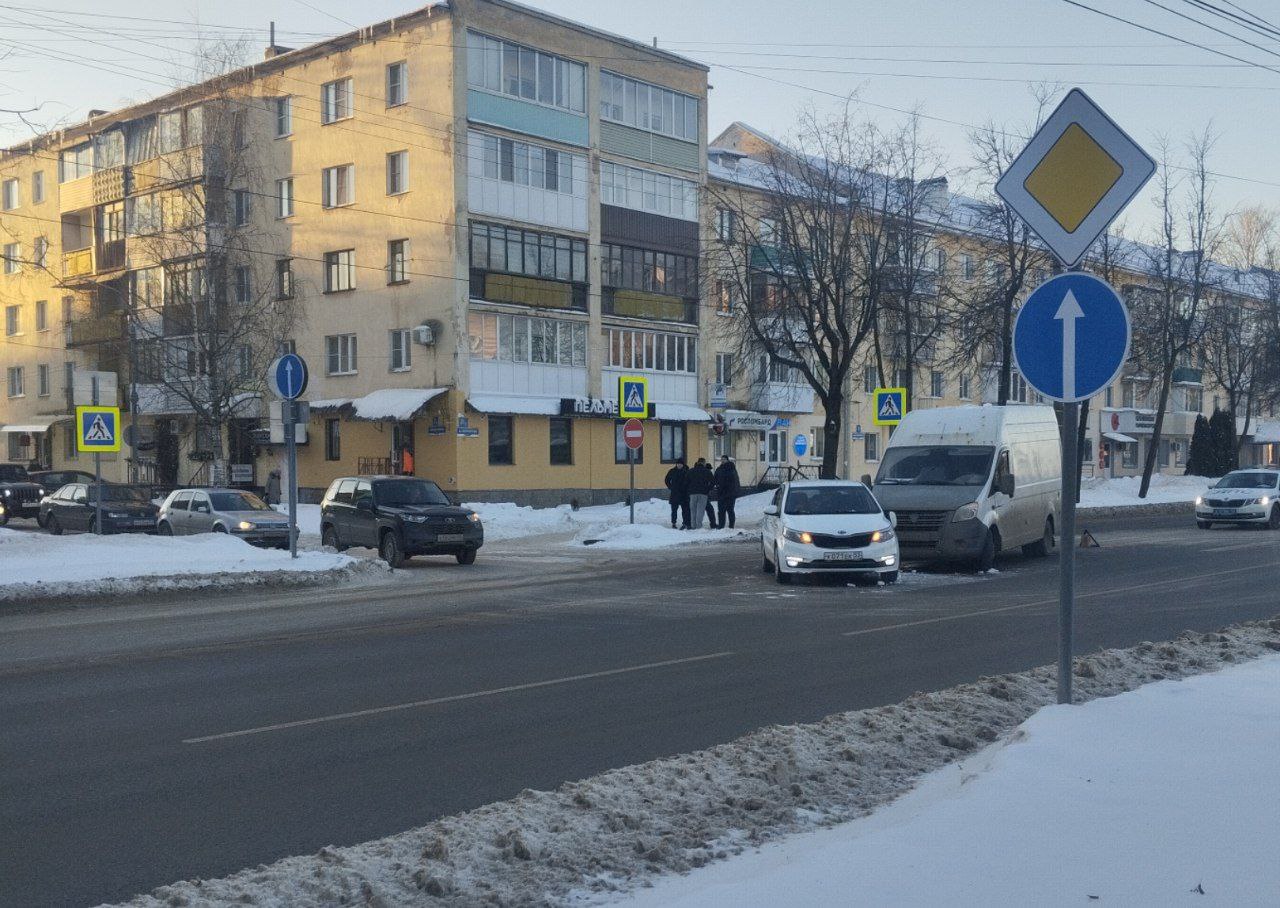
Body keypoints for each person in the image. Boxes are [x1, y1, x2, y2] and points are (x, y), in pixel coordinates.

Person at [713, 455, 741, 529]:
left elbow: (735, 481)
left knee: (730, 510)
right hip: (721, 493)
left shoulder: (731, 469)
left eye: (724, 459)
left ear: (727, 460)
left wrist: (735, 491)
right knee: (721, 510)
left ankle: (731, 526)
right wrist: (717, 485)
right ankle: (721, 525)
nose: (722, 461)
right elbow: (715, 479)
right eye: (721, 459)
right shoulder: (719, 469)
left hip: (730, 493)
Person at [687, 457, 714, 529]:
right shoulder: (707, 471)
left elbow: (686, 482)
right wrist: (708, 489)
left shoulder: (691, 471)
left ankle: (693, 526)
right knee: (700, 510)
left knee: (693, 510)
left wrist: (689, 490)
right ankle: (699, 526)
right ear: (704, 463)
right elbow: (712, 482)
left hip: (692, 493)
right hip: (703, 493)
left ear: (698, 462)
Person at [664, 460, 690, 529]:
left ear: (683, 465)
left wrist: (687, 489)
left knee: (685, 510)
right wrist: (670, 487)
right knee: (674, 510)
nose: (679, 465)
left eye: (680, 464)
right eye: (678, 464)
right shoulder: (672, 471)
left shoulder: (686, 471)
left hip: (684, 494)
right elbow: (667, 479)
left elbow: (690, 481)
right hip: (675, 493)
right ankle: (673, 523)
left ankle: (685, 523)